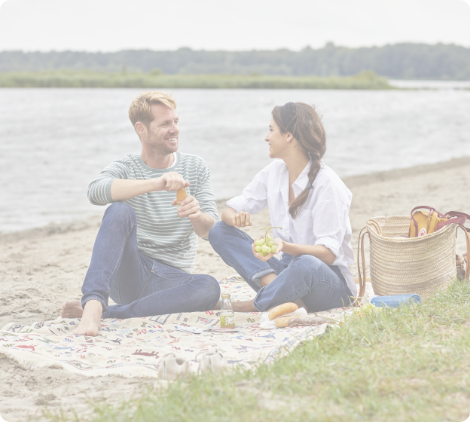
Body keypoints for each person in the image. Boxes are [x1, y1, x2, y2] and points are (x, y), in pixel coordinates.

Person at [61, 91, 220, 336]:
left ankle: (111, 313)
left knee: (208, 287)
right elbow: (95, 191)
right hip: (130, 271)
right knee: (118, 210)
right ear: (141, 129)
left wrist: (197, 215)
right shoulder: (127, 166)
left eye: (176, 121)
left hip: (171, 280)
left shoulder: (195, 167)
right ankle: (92, 306)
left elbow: (211, 231)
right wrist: (157, 183)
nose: (175, 129)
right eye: (165, 124)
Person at [209, 102, 355, 313]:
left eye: (271, 130)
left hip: (327, 283)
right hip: (287, 272)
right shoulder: (273, 172)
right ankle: (284, 296)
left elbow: (328, 254)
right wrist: (233, 218)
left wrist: (283, 246)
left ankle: (257, 303)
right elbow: (230, 210)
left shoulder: (327, 184)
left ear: (289, 136)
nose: (266, 137)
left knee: (306, 264)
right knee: (219, 231)